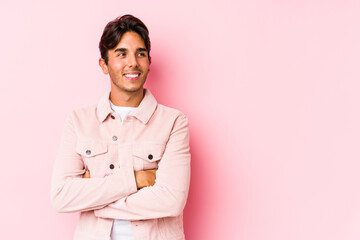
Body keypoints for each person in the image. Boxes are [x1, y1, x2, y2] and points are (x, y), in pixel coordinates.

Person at [50, 14, 191, 240]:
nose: (133, 62)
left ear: (149, 62)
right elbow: (61, 196)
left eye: (140, 54)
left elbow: (171, 201)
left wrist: (94, 198)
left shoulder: (174, 122)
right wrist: (136, 180)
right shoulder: (78, 121)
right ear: (104, 65)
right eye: (121, 53)